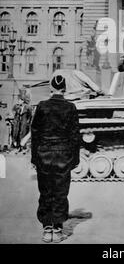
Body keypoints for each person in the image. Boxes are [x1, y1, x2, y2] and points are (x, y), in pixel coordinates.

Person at [31, 74, 80, 243]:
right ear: (65, 89)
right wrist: (74, 160)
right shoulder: (71, 107)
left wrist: (34, 158)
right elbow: (75, 136)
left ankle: (47, 229)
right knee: (60, 191)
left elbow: (35, 134)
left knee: (45, 191)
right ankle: (58, 229)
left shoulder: (42, 106)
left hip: (44, 153)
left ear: (51, 88)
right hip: (63, 155)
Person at [12, 87, 32, 153]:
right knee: (16, 132)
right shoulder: (17, 106)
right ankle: (17, 145)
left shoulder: (28, 107)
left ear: (23, 100)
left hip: (24, 122)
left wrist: (28, 121)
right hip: (17, 122)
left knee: (23, 133)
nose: (19, 101)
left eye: (20, 100)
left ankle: (22, 146)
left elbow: (30, 115)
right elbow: (13, 112)